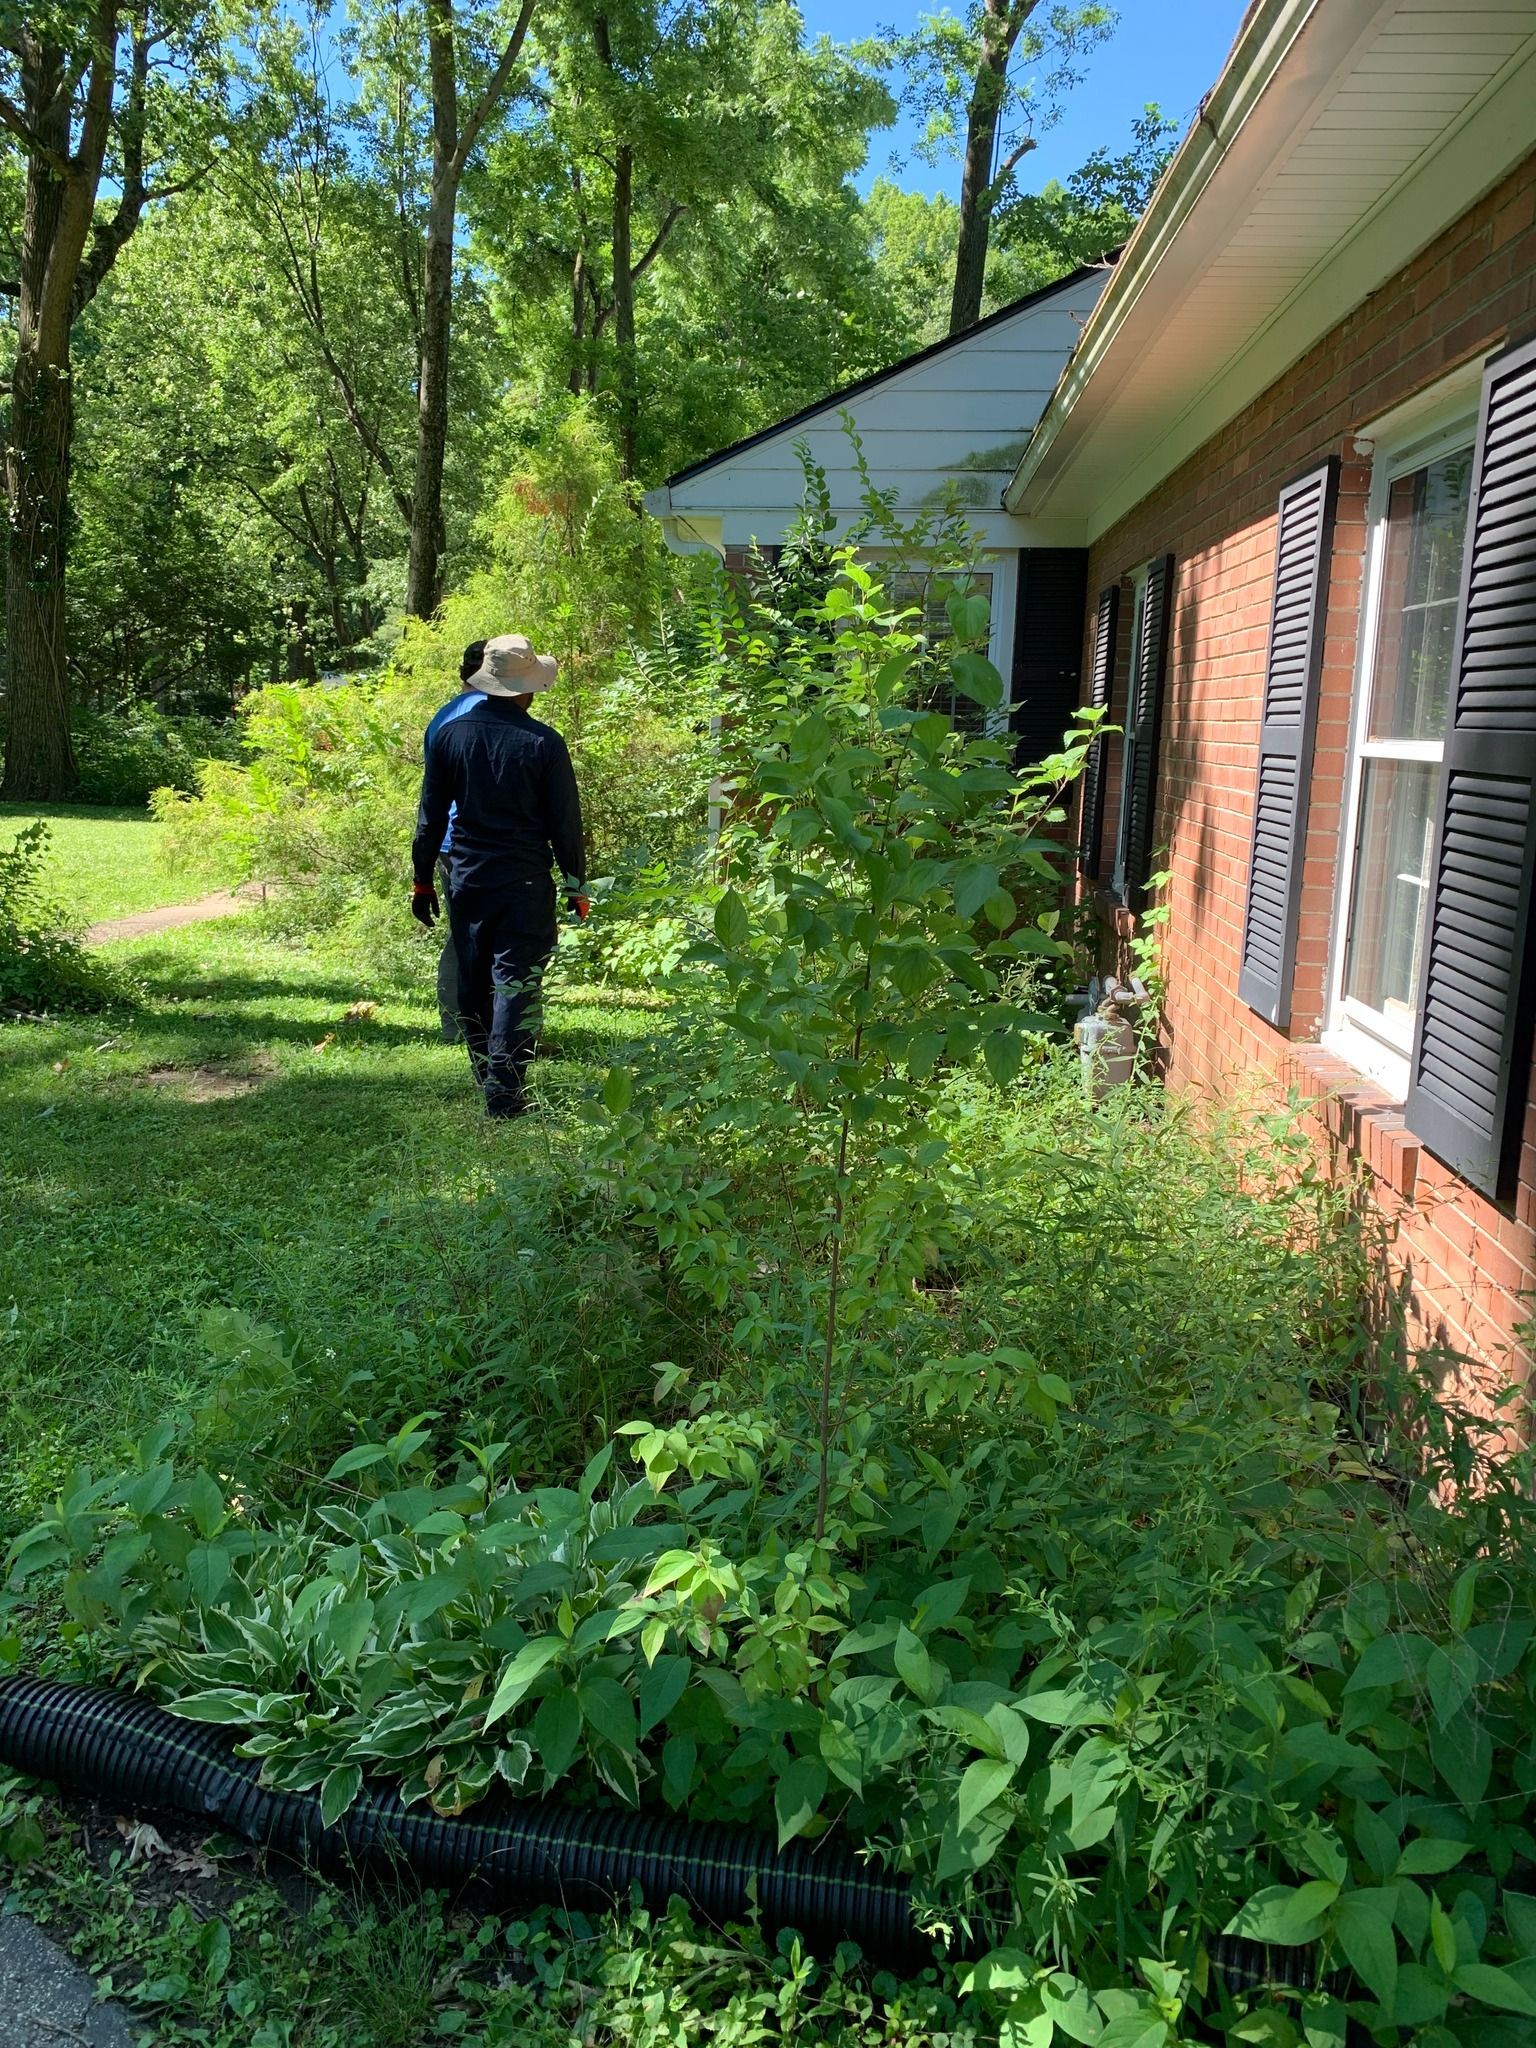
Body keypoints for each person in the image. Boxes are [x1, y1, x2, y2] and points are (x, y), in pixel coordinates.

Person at [411, 633, 588, 1119]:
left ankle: (489, 1075)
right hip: (525, 881)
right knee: (515, 981)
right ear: (526, 689)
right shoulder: (544, 743)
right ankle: (504, 1093)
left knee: (474, 977)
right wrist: (577, 884)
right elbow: (564, 823)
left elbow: (429, 817)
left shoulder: (451, 735)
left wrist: (422, 880)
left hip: (466, 875)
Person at [423, 641, 487, 1042]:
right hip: (481, 841)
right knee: (499, 934)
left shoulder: (443, 715)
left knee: (465, 931)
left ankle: (460, 1026)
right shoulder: (491, 712)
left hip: (449, 843)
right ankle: (482, 1028)